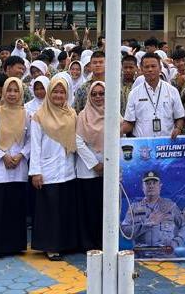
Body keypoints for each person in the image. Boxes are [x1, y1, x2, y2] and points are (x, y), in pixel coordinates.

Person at [29, 76, 84, 260]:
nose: (59, 95)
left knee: (65, 209)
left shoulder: (71, 114)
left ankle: (66, 244)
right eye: (55, 92)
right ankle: (51, 246)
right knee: (50, 210)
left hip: (68, 170)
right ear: (49, 93)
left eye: (62, 92)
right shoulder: (39, 116)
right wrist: (36, 172)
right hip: (48, 170)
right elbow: (35, 145)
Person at [0, 77, 30, 258]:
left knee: (15, 208)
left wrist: (21, 155)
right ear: (3, 92)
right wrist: (3, 156)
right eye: (9, 90)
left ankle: (15, 245)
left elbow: (31, 139)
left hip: (18, 166)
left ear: (21, 93)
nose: (12, 94)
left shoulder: (27, 115)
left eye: (16, 91)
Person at [121, 170, 185, 250]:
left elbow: (184, 225)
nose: (151, 186)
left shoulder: (170, 206)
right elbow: (125, 231)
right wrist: (146, 224)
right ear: (142, 187)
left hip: (166, 254)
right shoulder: (134, 208)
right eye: (147, 183)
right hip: (141, 254)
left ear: (160, 186)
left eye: (154, 183)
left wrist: (176, 242)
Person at [122, 55, 185, 139]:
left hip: (166, 142)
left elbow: (180, 117)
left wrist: (178, 129)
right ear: (141, 69)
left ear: (160, 68)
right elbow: (130, 122)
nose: (150, 69)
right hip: (142, 143)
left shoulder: (172, 91)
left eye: (153, 66)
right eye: (146, 67)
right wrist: (118, 132)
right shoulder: (134, 93)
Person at [75, 80, 105, 251]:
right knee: (89, 207)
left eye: (101, 93)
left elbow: (120, 136)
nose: (98, 97)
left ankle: (104, 242)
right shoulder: (82, 115)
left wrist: (107, 162)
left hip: (107, 168)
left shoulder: (113, 113)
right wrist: (95, 164)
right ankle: (88, 243)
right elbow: (78, 141)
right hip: (88, 169)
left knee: (104, 207)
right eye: (94, 94)